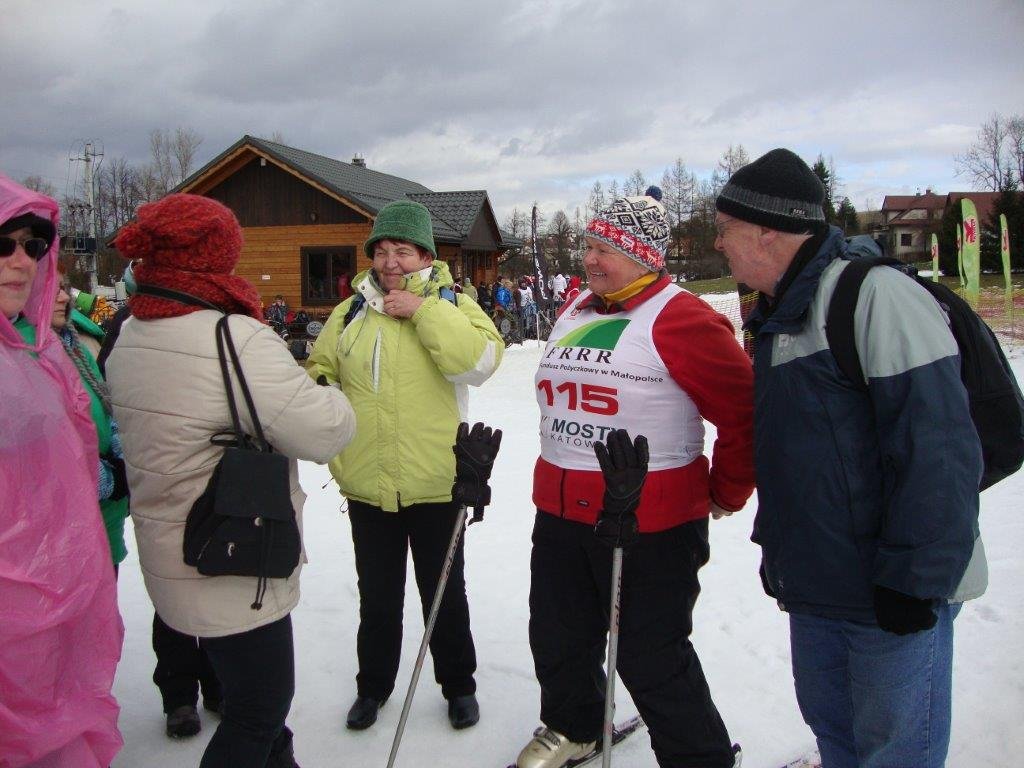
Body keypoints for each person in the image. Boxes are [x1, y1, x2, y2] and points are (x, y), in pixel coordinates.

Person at [714, 148, 985, 768]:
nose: (719, 243)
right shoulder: (782, 315)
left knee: (894, 753)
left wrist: (914, 582)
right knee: (838, 740)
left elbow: (939, 450)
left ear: (767, 231)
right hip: (820, 587)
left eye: (726, 228)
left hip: (890, 592)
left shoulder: (875, 296)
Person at [106, 193, 356, 768]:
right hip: (235, 555)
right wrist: (332, 392)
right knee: (259, 712)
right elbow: (323, 432)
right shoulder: (233, 338)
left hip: (171, 547)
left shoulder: (132, 330)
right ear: (215, 257)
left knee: (256, 711)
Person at [516, 187, 754, 768]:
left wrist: (725, 491)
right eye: (589, 245)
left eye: (606, 249)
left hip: (651, 521)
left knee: (649, 653)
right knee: (558, 635)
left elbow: (747, 413)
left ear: (643, 256)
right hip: (562, 511)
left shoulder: (682, 317)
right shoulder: (578, 308)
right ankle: (574, 725)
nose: (590, 259)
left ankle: (698, 758)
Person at [307, 199, 503, 732]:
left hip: (436, 482)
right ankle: (372, 687)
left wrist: (423, 312)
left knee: (444, 594)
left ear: (426, 257)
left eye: (403, 251)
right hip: (367, 482)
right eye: (382, 251)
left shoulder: (454, 304)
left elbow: (479, 362)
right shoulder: (351, 311)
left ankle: (459, 686)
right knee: (377, 597)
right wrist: (326, 395)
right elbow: (321, 367)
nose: (391, 262)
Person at [0, 172, 124, 766]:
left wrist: (111, 470)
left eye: (33, 245)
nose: (21, 260)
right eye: (2, 244)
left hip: (54, 590)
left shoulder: (39, 352)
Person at [97, 261, 225, 741]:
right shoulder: (128, 325)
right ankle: (178, 695)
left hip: (214, 475)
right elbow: (111, 396)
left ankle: (218, 684)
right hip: (160, 479)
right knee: (172, 591)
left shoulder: (218, 319)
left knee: (217, 584)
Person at [51, 271, 131, 572]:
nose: (64, 297)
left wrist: (121, 458)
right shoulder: (26, 354)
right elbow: (48, 450)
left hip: (103, 520)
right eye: (52, 290)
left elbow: (105, 406)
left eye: (65, 288)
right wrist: (108, 480)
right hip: (63, 534)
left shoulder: (75, 345)